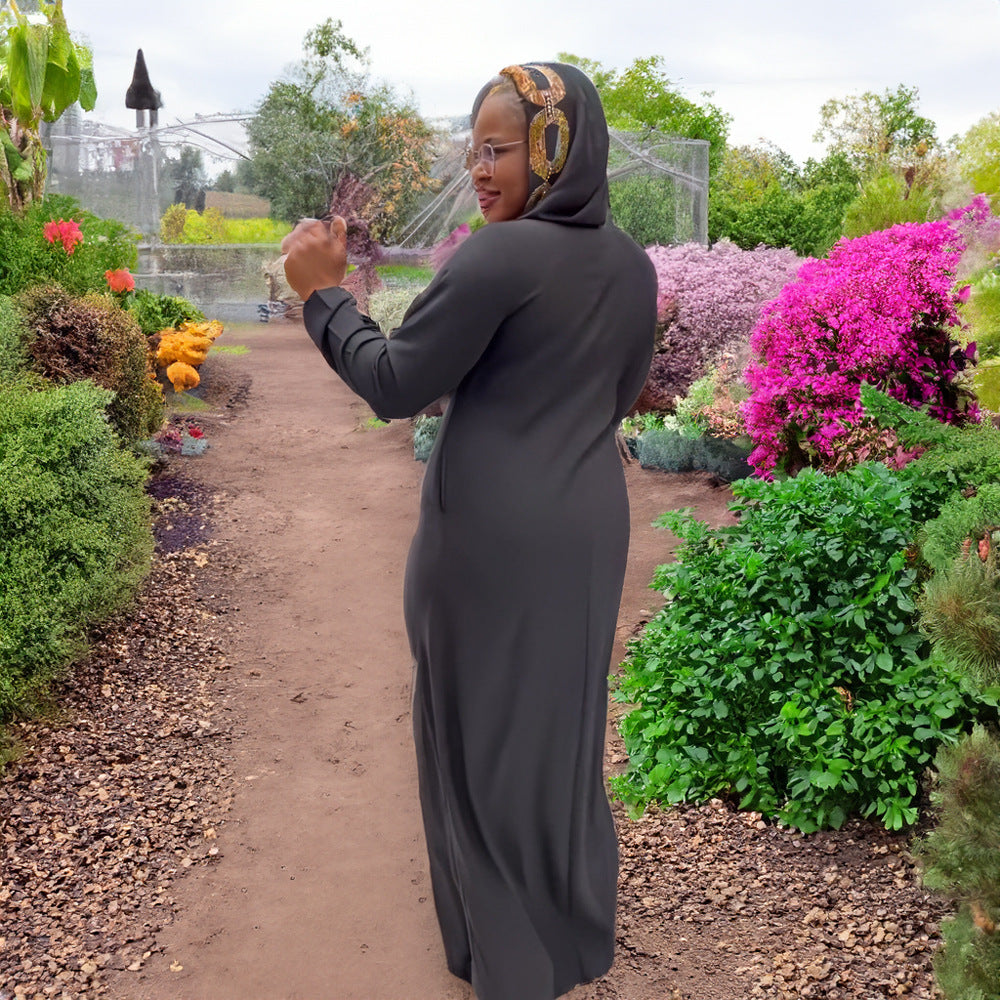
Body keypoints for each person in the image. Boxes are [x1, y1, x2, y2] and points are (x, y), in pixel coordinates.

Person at [282, 62, 657, 1000]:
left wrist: (323, 298)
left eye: (498, 150)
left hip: (489, 539)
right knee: (554, 739)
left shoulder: (497, 259)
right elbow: (615, 399)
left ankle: (511, 970)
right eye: (473, 150)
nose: (478, 170)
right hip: (586, 528)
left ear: (554, 149)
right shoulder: (631, 266)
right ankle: (562, 944)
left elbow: (396, 384)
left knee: (477, 745)